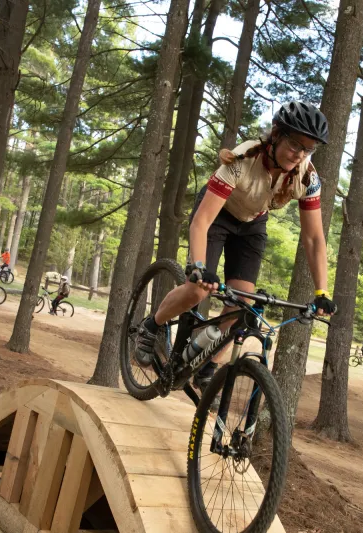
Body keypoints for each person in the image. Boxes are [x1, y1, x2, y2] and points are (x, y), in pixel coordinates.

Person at [135, 101, 336, 393]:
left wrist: (322, 292)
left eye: (308, 148)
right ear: (277, 134)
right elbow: (201, 222)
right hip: (217, 215)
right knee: (198, 289)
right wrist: (201, 268)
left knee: (243, 303)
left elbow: (315, 238)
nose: (300, 154)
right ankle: (151, 326)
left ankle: (208, 363)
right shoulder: (241, 160)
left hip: (252, 224)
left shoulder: (307, 177)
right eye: (295, 144)